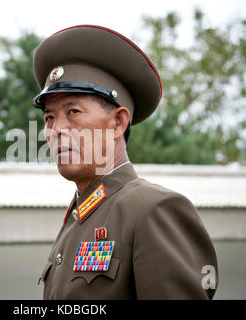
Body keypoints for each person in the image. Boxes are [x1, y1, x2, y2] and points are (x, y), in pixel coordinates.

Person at [32, 25, 218, 299]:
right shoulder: (78, 216)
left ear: (118, 122)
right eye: (49, 117)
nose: (57, 128)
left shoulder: (153, 209)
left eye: (73, 111)